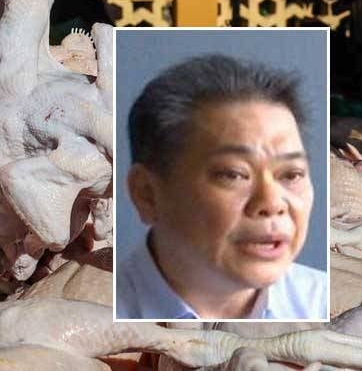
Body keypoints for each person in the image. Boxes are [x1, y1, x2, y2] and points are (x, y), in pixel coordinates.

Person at [117, 54, 327, 320]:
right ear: (146, 194)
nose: (272, 203)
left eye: (291, 174)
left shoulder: (328, 306)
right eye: (234, 174)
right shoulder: (94, 314)